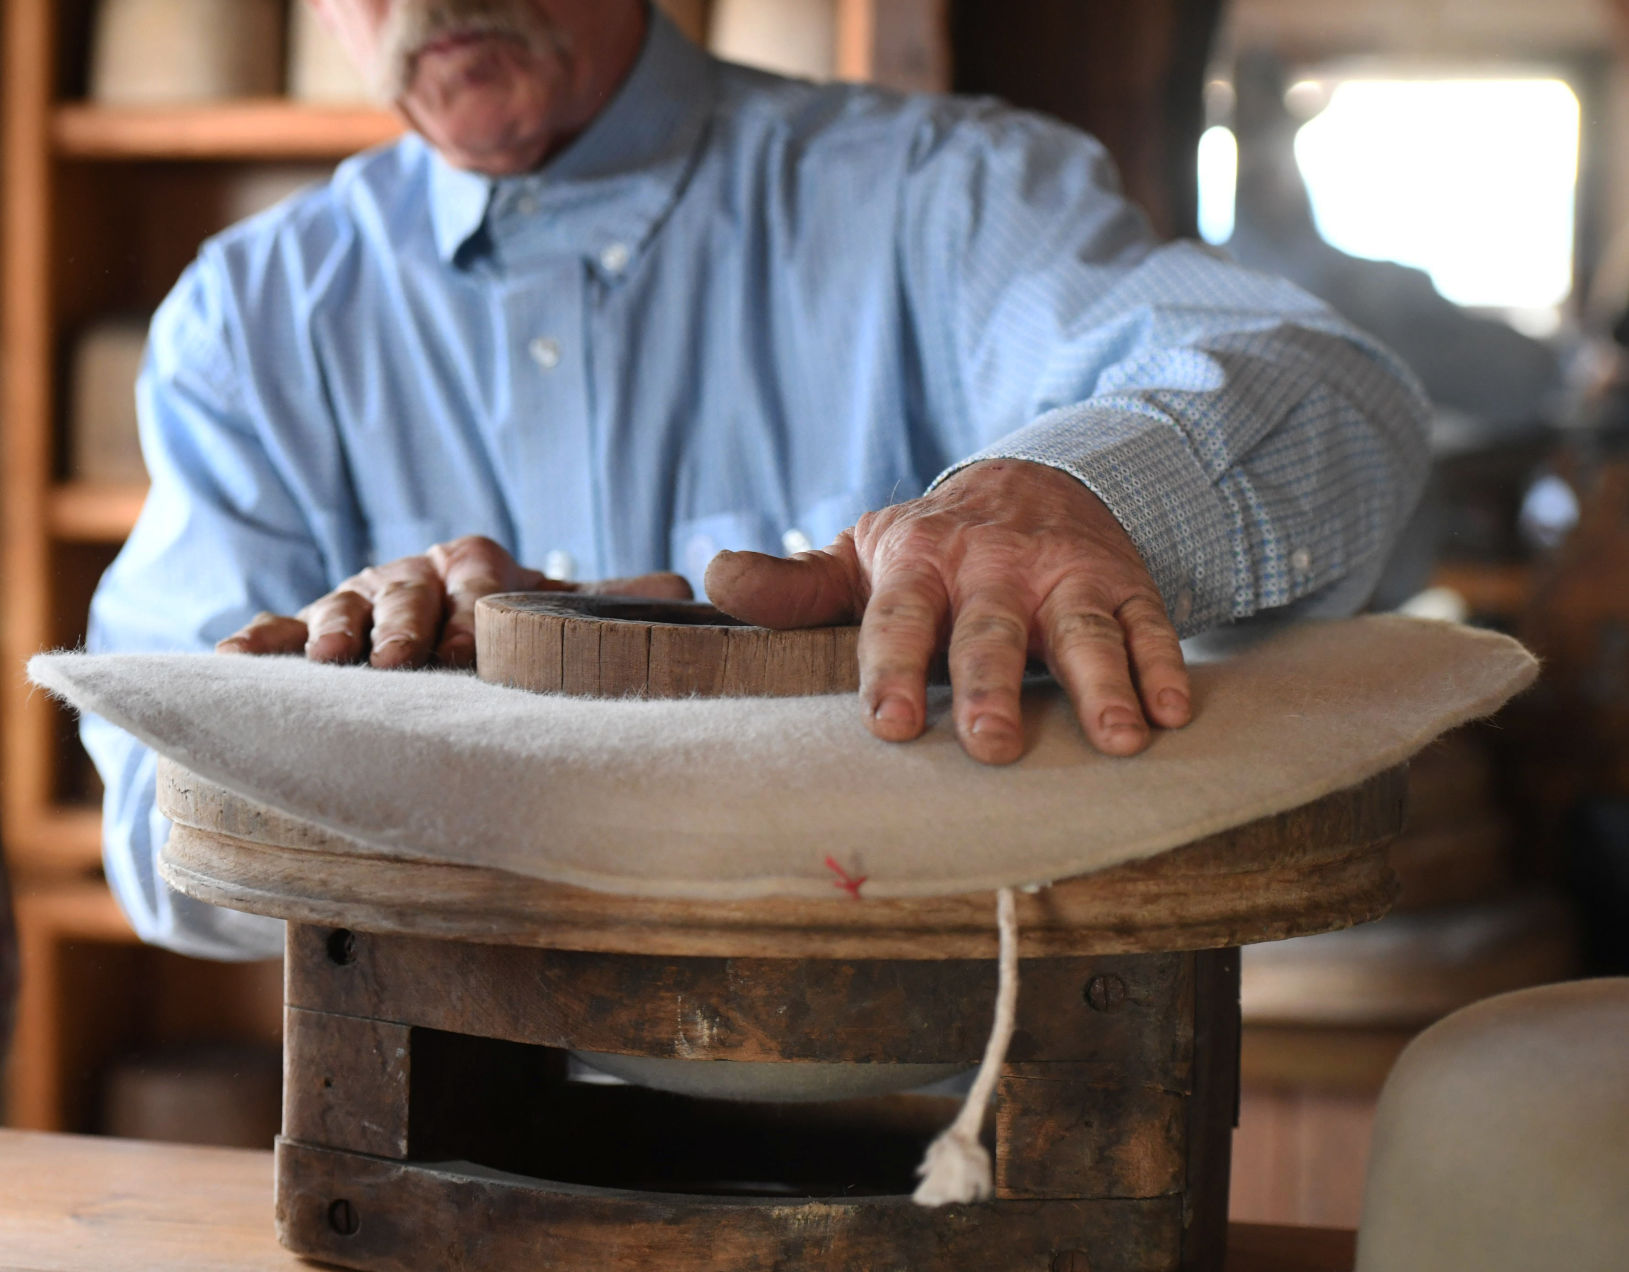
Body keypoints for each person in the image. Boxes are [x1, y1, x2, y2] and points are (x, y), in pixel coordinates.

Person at [84, 0, 1430, 958]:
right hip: (460, 1127)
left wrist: (1069, 495)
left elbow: (1329, 396)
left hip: (947, 1123)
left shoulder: (935, 193)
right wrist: (385, 710)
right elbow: (157, 847)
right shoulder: (253, 321)